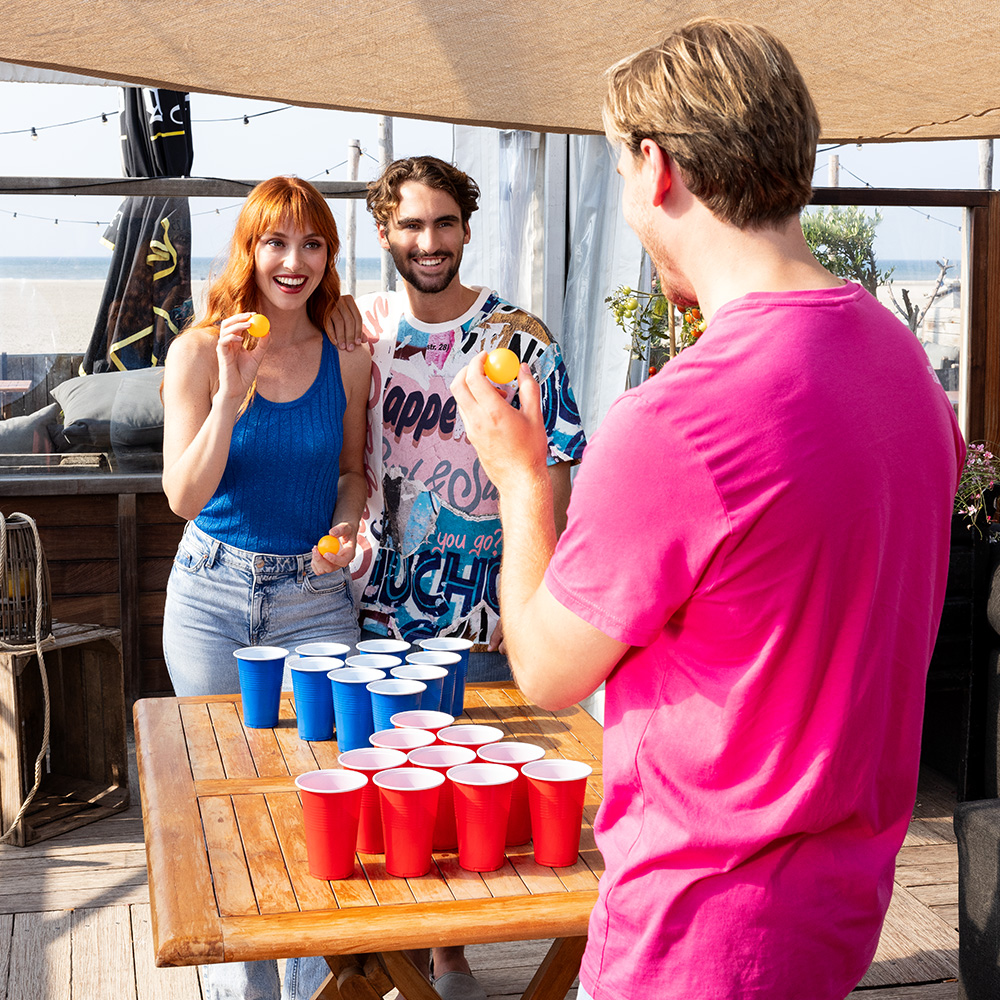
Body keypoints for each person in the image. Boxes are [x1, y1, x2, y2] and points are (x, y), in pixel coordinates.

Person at [450, 18, 964, 1000]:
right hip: (834, 915)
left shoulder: (678, 421)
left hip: (695, 934)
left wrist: (520, 482)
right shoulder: (906, 373)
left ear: (654, 169)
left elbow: (552, 668)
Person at [336, 155, 587, 999]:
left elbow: (558, 468)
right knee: (404, 802)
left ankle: (458, 951)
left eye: (445, 223)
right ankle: (422, 955)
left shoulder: (522, 337)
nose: (429, 241)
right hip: (381, 619)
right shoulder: (361, 328)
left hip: (488, 612)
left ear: (467, 230)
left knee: (481, 800)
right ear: (385, 234)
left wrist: (539, 594)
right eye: (411, 225)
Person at [161, 175, 371, 1000]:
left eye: (313, 243)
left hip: (315, 599)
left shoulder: (348, 354)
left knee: (320, 791)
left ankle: (314, 983)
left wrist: (348, 526)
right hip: (211, 596)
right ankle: (247, 986)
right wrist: (231, 391)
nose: (295, 261)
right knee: (227, 796)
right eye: (276, 242)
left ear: (329, 255)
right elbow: (184, 496)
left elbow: (352, 475)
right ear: (248, 250)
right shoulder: (195, 350)